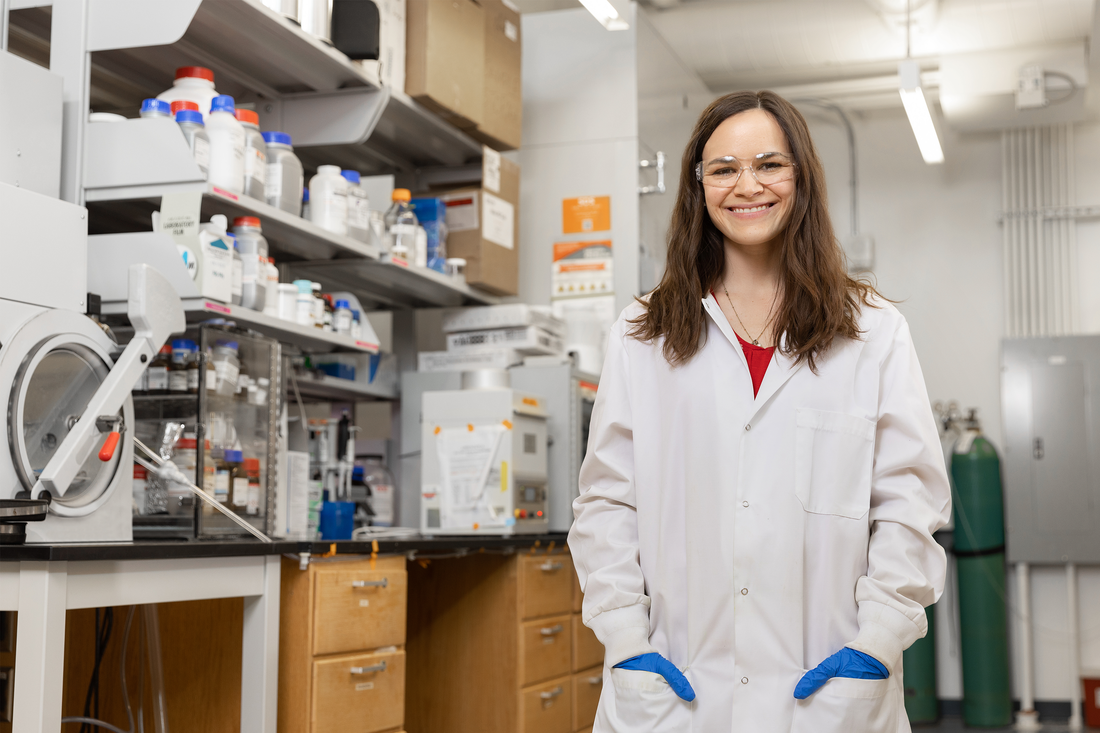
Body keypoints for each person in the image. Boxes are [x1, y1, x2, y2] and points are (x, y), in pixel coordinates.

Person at [568, 90, 952, 732]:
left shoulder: (873, 331)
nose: (747, 186)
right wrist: (626, 642)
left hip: (829, 689)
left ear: (800, 176)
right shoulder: (642, 333)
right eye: (723, 169)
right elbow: (607, 504)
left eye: (769, 164)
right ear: (699, 186)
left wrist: (876, 642)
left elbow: (908, 504)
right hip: (677, 686)